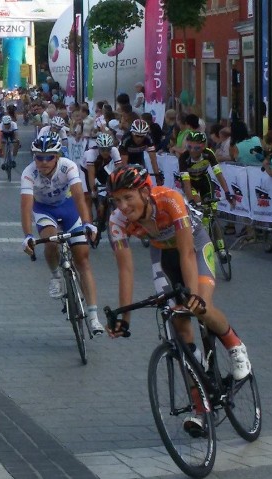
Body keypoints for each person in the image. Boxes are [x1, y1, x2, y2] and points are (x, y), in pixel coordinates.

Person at [106, 165, 252, 436]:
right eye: (117, 200)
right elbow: (125, 269)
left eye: (128, 197)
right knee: (180, 329)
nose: (123, 206)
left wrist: (194, 296)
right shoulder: (117, 222)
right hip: (163, 255)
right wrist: (124, 318)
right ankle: (201, 408)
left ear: (145, 192)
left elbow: (186, 252)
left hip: (194, 246)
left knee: (200, 308)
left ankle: (235, 346)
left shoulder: (169, 199)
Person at [20, 135, 104, 335]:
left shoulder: (68, 166)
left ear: (57, 157)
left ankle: (93, 317)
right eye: (38, 157)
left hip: (68, 208)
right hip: (44, 210)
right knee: (50, 242)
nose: (43, 162)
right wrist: (27, 235)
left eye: (48, 157)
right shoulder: (28, 173)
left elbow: (79, 197)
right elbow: (25, 207)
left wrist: (88, 224)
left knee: (82, 258)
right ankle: (56, 276)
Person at [178, 131, 236, 208]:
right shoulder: (183, 157)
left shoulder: (209, 154)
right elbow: (186, 182)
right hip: (190, 182)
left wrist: (227, 192)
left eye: (197, 148)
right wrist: (191, 200)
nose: (192, 151)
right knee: (197, 200)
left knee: (212, 206)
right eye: (189, 147)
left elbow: (219, 174)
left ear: (203, 147)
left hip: (203, 180)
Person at [119, 119, 163, 185]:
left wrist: (157, 176)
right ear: (132, 133)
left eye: (142, 136)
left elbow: (153, 160)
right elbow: (124, 163)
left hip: (139, 157)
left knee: (142, 176)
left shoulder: (148, 138)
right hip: (127, 157)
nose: (139, 138)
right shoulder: (126, 139)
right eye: (137, 135)